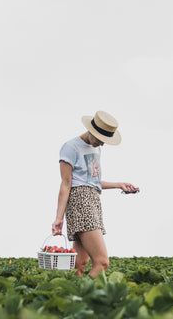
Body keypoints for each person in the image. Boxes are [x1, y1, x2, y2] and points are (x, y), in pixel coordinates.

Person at [52, 111, 139, 276]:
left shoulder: (96, 148)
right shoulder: (70, 147)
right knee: (102, 262)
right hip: (80, 202)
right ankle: (86, 298)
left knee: (80, 263)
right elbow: (66, 183)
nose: (102, 144)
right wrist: (58, 218)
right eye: (100, 138)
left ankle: (69, 297)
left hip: (93, 199)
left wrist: (118, 185)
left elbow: (92, 181)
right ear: (91, 130)